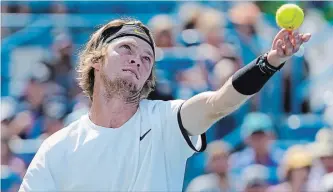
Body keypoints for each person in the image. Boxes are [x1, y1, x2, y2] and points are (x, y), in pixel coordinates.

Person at [19, 18, 311, 191]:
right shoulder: (56, 147)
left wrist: (270, 62)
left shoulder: (166, 121)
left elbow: (217, 103)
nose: (138, 59)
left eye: (147, 58)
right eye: (126, 49)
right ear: (96, 59)